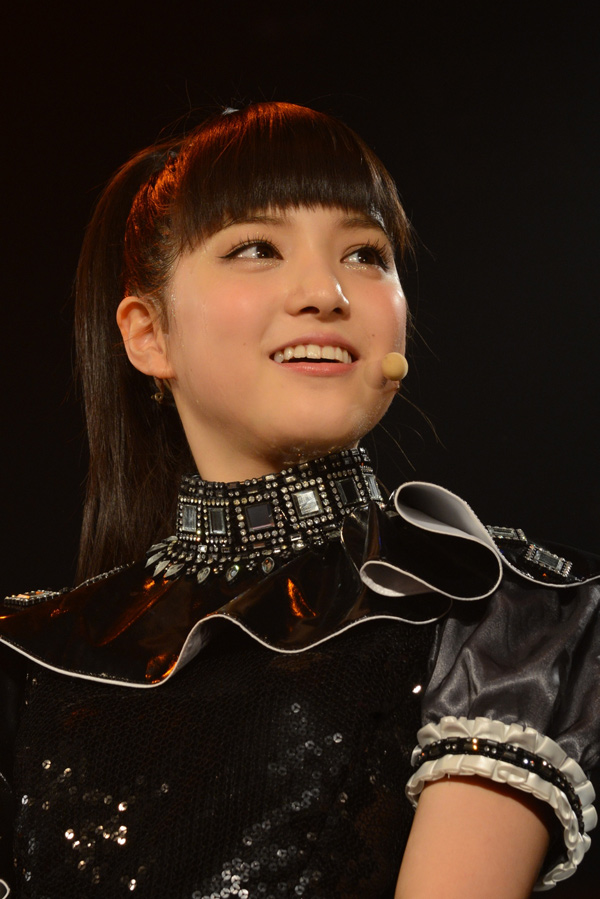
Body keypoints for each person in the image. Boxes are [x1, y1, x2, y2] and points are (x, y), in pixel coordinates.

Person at [1, 102, 598, 899]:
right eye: (256, 248)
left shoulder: (504, 617)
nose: (326, 291)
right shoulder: (25, 663)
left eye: (365, 254)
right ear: (148, 334)